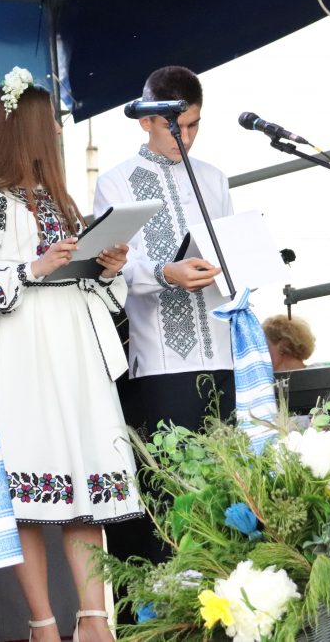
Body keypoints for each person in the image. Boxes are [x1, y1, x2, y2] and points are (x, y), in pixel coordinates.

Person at [0, 69, 142, 642]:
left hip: (75, 344)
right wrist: (35, 266)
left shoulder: (64, 201)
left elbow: (95, 289)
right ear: (24, 128)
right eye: (50, 124)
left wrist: (105, 268)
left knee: (85, 487)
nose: (57, 133)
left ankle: (94, 620)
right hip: (21, 348)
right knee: (28, 492)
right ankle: (42, 624)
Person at [95, 66, 236, 572]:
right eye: (175, 127)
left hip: (223, 355)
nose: (185, 138)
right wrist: (164, 272)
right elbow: (108, 267)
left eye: (194, 125)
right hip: (159, 366)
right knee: (172, 504)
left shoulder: (214, 178)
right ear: (145, 121)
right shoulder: (116, 182)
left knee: (228, 501)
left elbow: (232, 250)